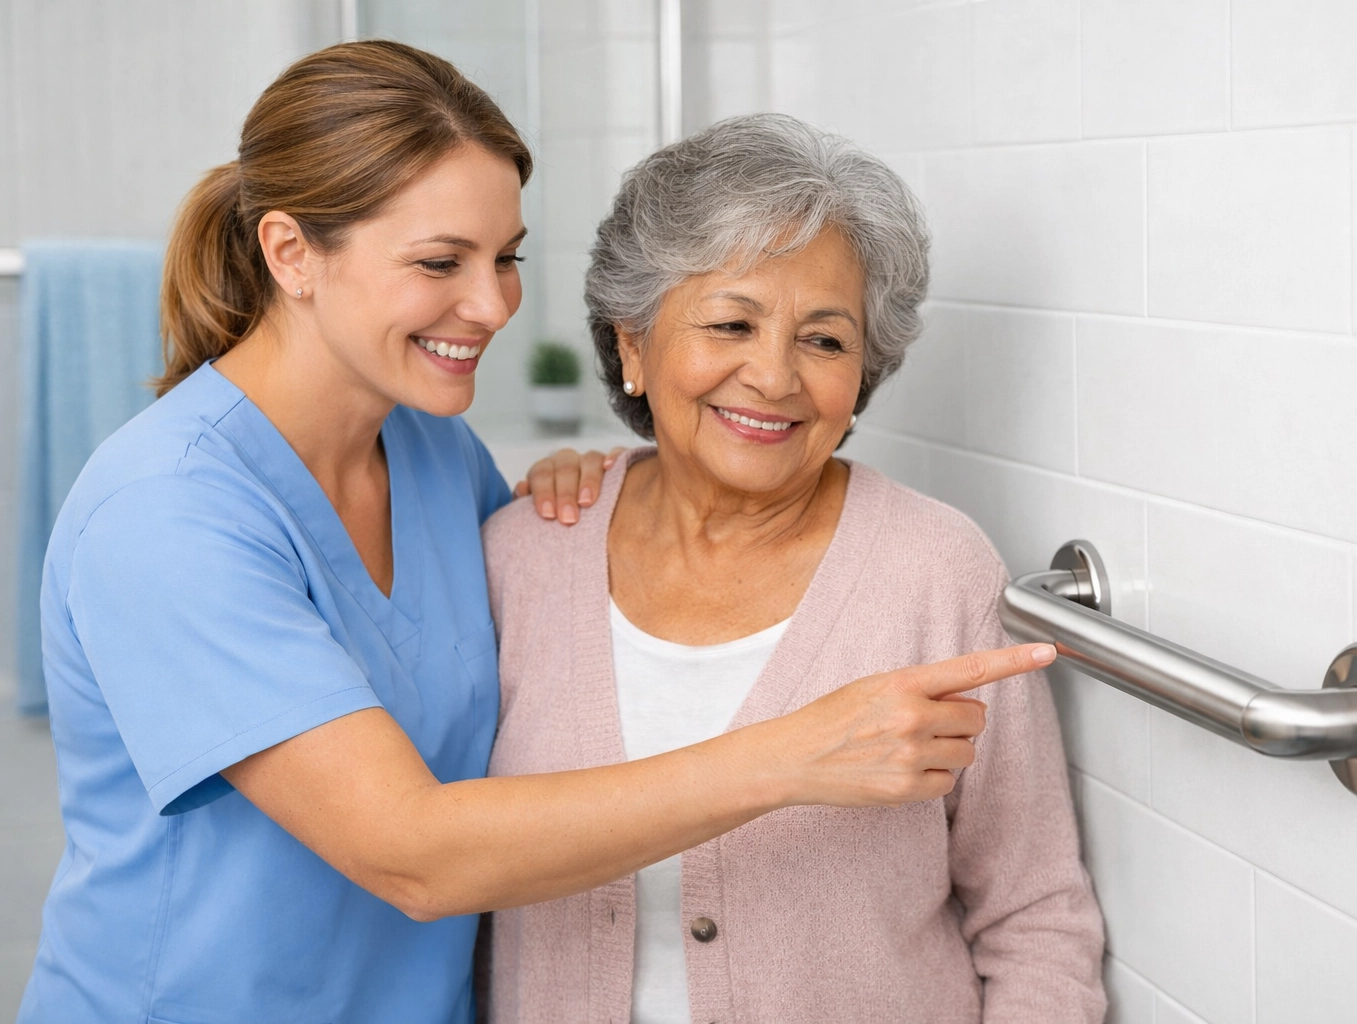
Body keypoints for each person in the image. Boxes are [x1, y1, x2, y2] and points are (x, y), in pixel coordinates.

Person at [18, 45, 1053, 1024]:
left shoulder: (431, 456)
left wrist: (588, 477)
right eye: (440, 260)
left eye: (505, 256)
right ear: (290, 252)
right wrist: (792, 754)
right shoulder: (166, 513)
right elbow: (413, 852)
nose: (492, 303)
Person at [482, 114, 1106, 1023]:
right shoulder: (522, 555)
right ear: (631, 346)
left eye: (824, 340)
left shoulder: (935, 570)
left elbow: (1035, 914)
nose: (774, 377)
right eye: (732, 322)